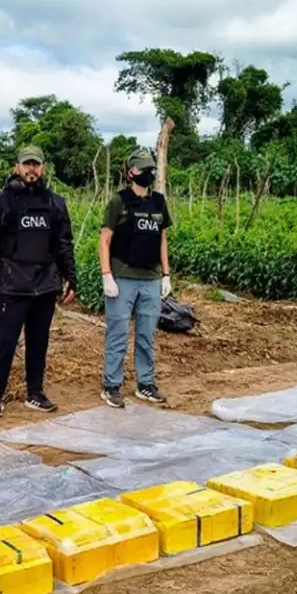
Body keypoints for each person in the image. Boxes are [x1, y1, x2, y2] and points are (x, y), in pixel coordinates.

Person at [0, 145, 76, 419]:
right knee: (4, 343)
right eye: (26, 164)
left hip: (45, 285)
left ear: (43, 168)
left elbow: (64, 243)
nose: (31, 169)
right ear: (16, 167)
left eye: (36, 164)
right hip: (13, 283)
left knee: (38, 341)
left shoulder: (55, 203)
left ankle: (35, 393)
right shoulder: (2, 201)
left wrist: (71, 278)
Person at [98, 147, 172, 409]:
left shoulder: (159, 202)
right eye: (143, 169)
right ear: (131, 172)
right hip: (123, 277)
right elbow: (105, 239)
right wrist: (107, 275)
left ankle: (145, 384)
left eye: (151, 168)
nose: (148, 173)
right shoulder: (118, 201)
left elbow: (162, 238)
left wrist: (166, 275)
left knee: (146, 335)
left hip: (151, 278)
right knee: (118, 333)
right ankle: (111, 385)